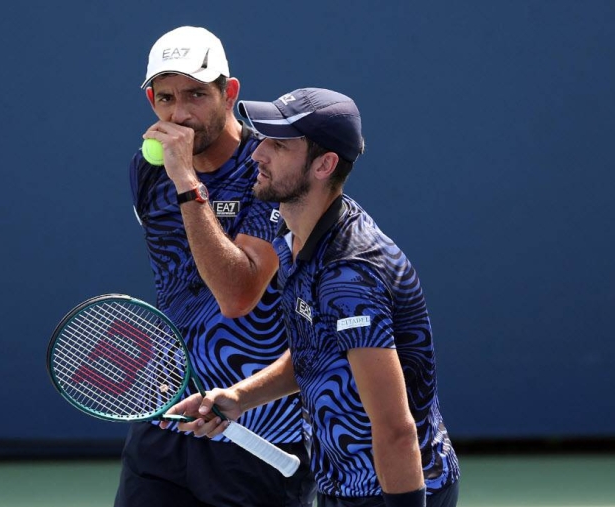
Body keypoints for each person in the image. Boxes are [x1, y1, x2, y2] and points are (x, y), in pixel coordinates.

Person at [164, 88, 460, 507]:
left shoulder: (349, 275)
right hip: (344, 485)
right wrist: (240, 397)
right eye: (263, 139)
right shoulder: (299, 239)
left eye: (279, 145)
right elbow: (322, 351)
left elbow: (395, 429)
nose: (257, 154)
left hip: (393, 491)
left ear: (324, 164)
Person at [118, 27, 315, 507]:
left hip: (263, 431)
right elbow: (180, 284)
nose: (179, 113)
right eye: (165, 97)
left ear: (229, 93)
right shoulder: (148, 170)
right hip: (170, 417)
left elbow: (238, 295)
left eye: (196, 95)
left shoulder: (270, 170)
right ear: (151, 101)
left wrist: (185, 179)